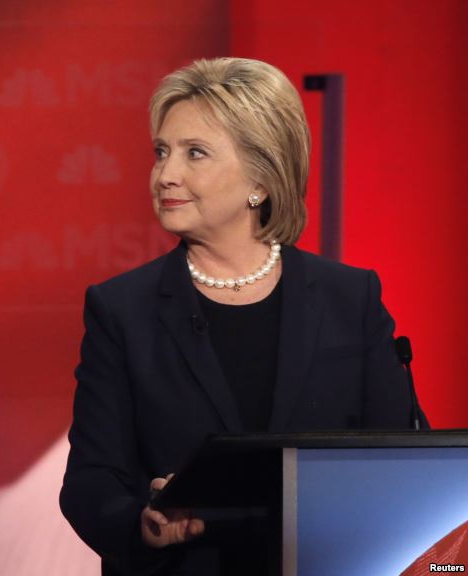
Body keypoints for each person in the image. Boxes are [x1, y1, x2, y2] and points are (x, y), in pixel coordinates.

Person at [59, 57, 419, 575]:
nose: (166, 174)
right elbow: (92, 481)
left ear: (261, 179)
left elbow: (399, 461)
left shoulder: (350, 297)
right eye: (162, 152)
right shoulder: (121, 309)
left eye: (195, 153)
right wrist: (141, 522)